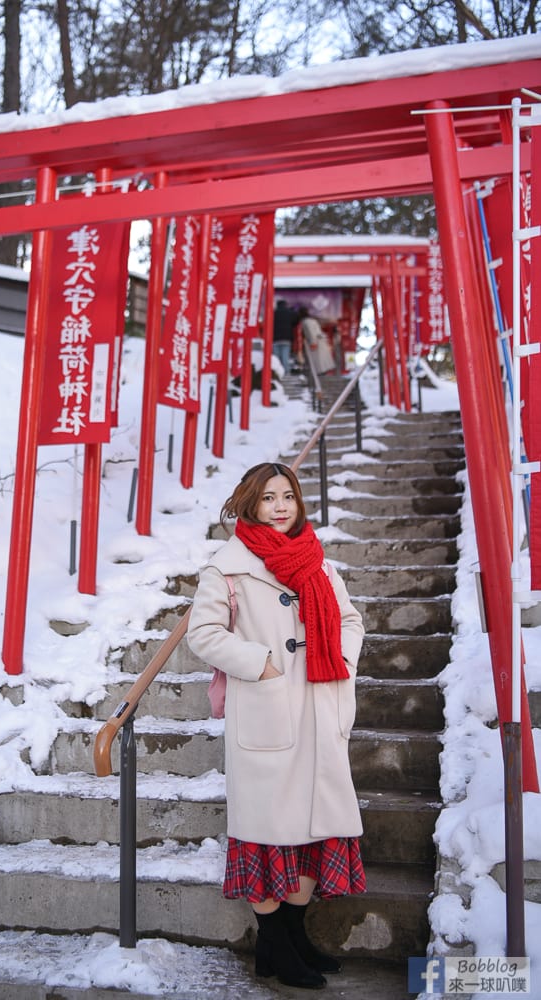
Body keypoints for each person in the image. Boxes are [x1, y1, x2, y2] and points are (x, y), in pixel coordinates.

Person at [186, 463, 366, 990]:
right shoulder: (228, 567)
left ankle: (287, 941)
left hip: (319, 705)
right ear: (250, 505)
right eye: (269, 498)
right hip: (268, 712)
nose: (281, 506)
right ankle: (278, 944)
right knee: (268, 836)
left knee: (313, 831)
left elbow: (350, 620)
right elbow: (204, 633)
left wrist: (341, 659)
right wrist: (260, 661)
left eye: (288, 496)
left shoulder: (319, 562)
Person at [298, 306, 336, 376]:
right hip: (320, 340)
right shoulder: (312, 320)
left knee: (317, 359)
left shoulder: (305, 322)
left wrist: (313, 342)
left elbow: (311, 332)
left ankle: (319, 372)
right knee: (322, 359)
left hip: (315, 341)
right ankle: (322, 371)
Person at [272, 299, 298, 374]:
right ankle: (286, 372)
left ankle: (276, 373)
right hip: (286, 338)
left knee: (276, 357)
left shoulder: (274, 313)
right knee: (285, 356)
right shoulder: (289, 313)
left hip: (275, 338)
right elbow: (296, 320)